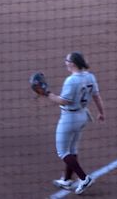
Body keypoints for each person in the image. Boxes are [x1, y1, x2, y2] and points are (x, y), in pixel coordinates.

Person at [44, 52, 105, 194]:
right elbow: (96, 96)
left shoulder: (71, 80)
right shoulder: (90, 76)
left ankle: (84, 178)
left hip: (69, 119)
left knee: (62, 152)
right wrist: (101, 112)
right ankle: (66, 180)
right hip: (82, 116)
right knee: (72, 150)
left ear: (73, 63)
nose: (65, 62)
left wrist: (47, 94)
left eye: (67, 60)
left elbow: (65, 101)